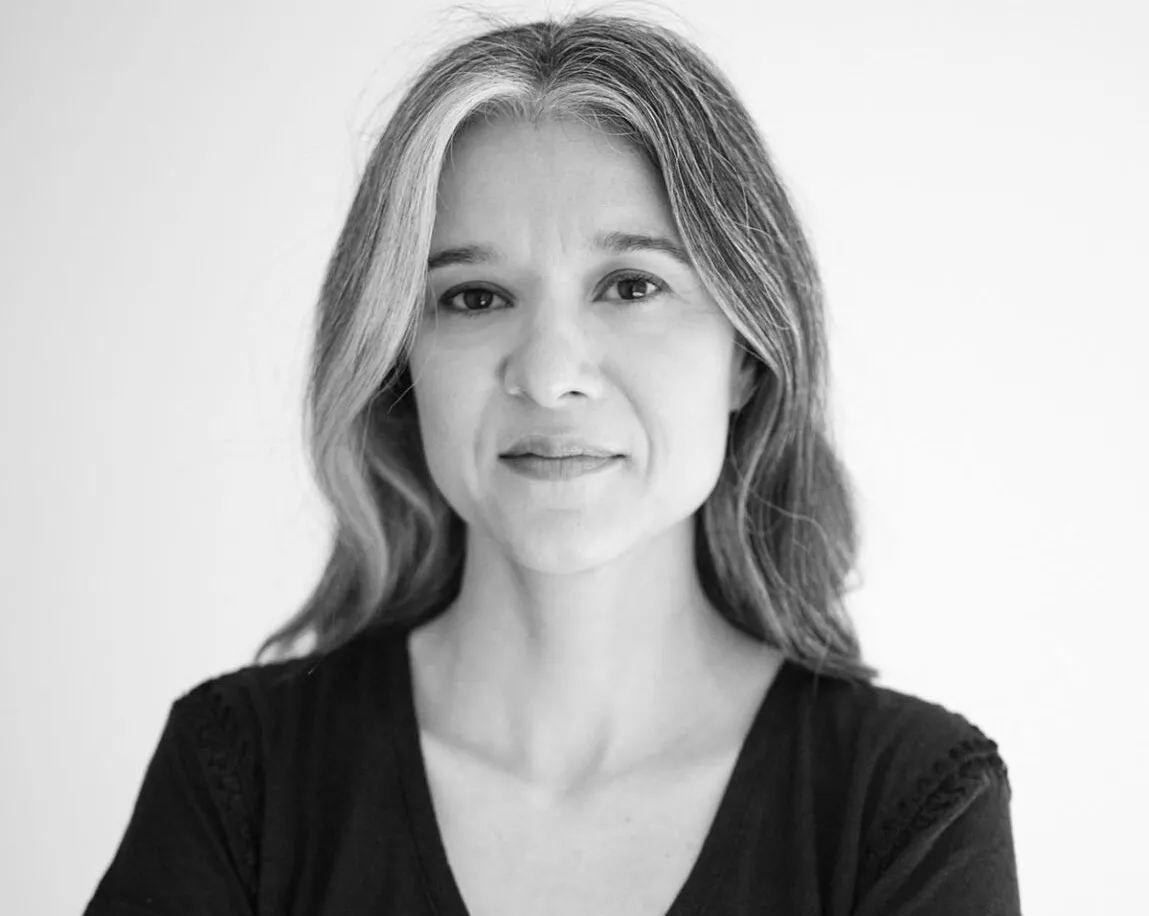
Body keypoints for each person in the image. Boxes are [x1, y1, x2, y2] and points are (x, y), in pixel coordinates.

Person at [83, 9, 1021, 915]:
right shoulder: (243, 772)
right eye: (475, 296)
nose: (546, 374)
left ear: (746, 352)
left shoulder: (904, 806)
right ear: (398, 359)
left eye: (631, 285)